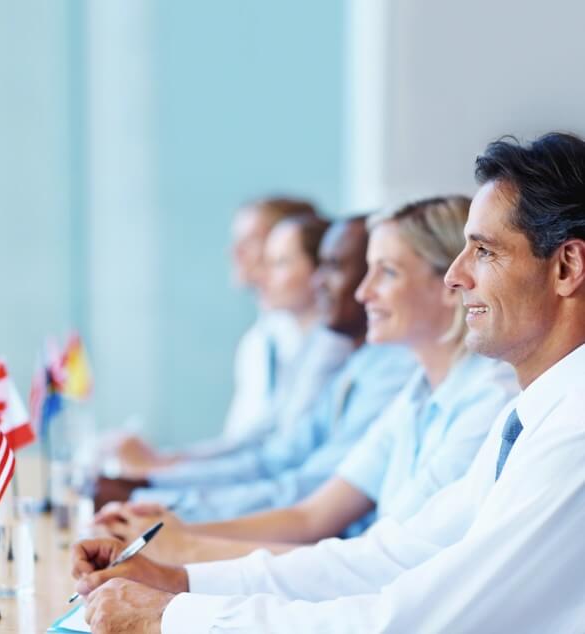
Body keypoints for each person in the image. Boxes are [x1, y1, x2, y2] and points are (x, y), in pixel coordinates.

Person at [72, 132, 585, 633]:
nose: (456, 276)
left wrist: (170, 615)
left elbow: (406, 621)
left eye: (485, 252)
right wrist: (178, 581)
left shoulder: (572, 434)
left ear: (567, 267)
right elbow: (391, 557)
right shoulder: (522, 420)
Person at [94, 196, 518, 566]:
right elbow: (312, 514)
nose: (362, 292)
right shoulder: (416, 394)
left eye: (386, 272)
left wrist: (186, 544)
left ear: (449, 284)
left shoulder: (485, 400)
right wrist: (177, 528)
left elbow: (379, 560)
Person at [121, 219, 417, 522]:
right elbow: (275, 457)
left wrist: (158, 499)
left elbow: (307, 492)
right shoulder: (353, 357)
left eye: (279, 262)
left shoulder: (390, 367)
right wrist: (151, 485)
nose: (319, 283)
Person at [109, 197, 318, 478]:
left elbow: (275, 459)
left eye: (253, 241)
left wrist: (161, 471)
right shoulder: (260, 340)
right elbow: (244, 442)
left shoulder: (322, 347)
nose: (236, 253)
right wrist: (163, 463)